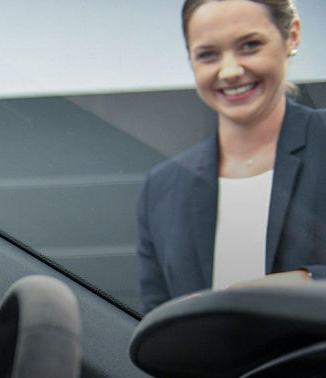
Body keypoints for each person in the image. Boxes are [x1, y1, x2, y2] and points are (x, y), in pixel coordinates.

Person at [137, 0, 326, 315]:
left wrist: (305, 282)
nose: (230, 71)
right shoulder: (162, 187)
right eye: (208, 54)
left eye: (250, 45)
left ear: (291, 36)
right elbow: (156, 326)